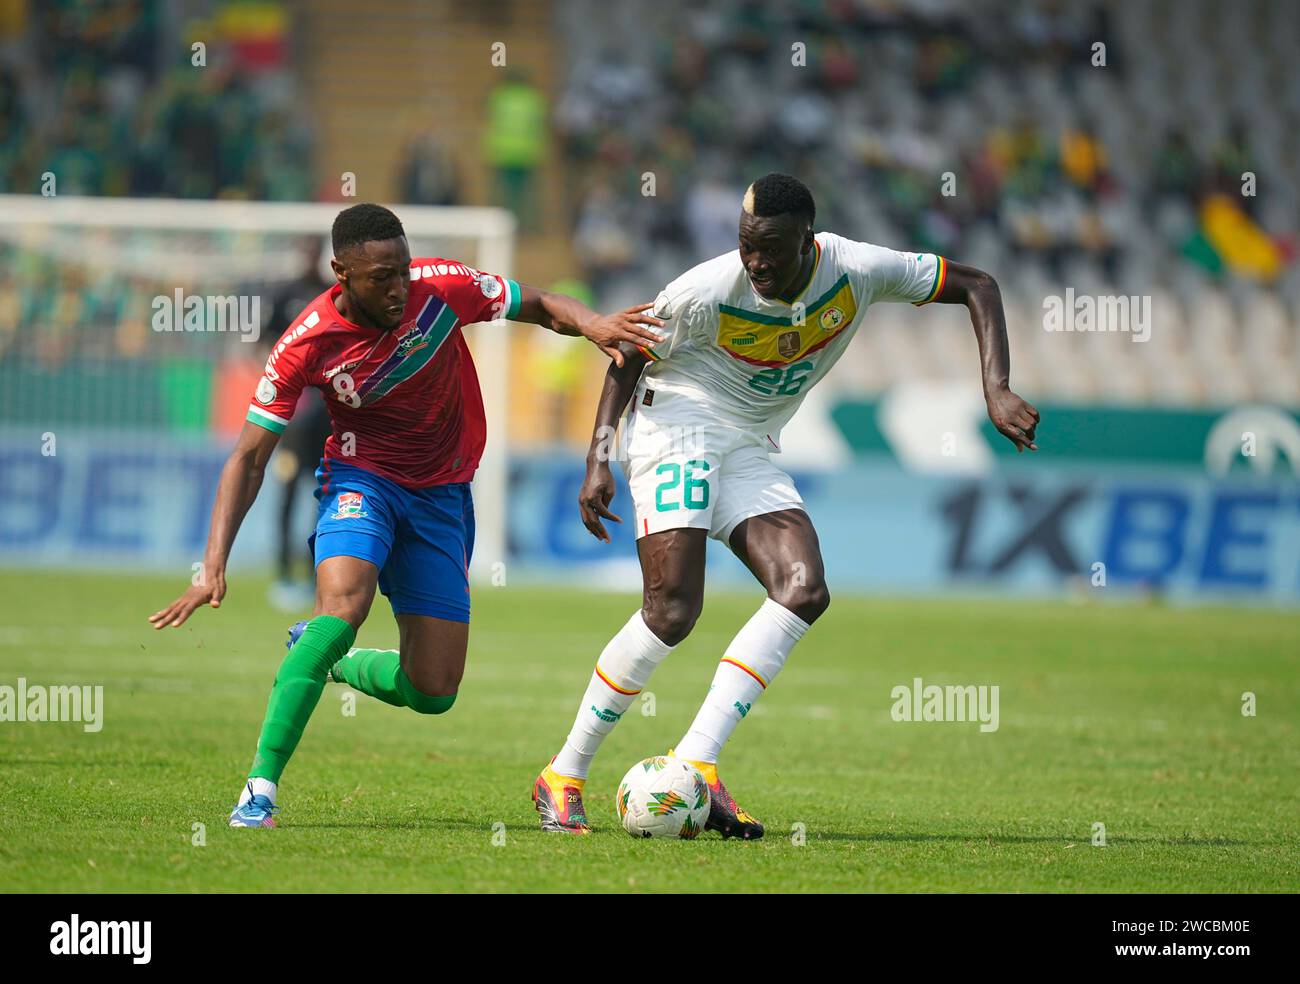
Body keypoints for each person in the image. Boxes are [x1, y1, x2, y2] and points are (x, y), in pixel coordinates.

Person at [533, 173, 1040, 837]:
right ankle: (563, 775)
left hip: (747, 442)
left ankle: (698, 764)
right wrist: (599, 458)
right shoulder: (708, 287)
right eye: (746, 246)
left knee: (803, 588)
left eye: (770, 248)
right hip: (677, 423)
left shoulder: (857, 269)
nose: (755, 262)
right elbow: (627, 353)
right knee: (674, 610)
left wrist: (995, 388)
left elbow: (978, 284)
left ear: (810, 240)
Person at [148, 203, 664, 828]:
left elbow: (542, 304)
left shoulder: (439, 287)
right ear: (341, 273)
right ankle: (259, 787)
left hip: (443, 494)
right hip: (361, 480)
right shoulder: (306, 342)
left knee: (434, 690)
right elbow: (247, 459)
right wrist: (212, 564)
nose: (397, 288)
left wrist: (594, 324)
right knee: (343, 606)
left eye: (401, 270)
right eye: (379, 278)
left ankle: (334, 659)